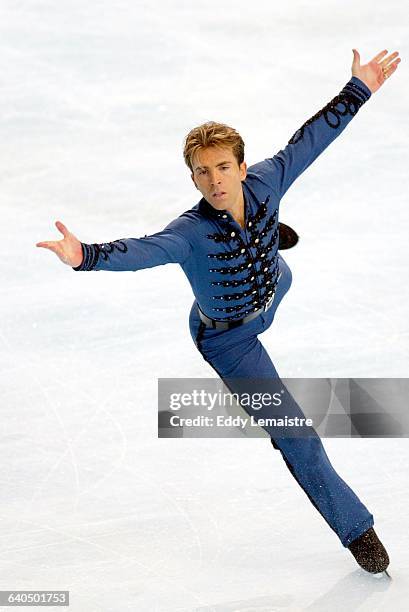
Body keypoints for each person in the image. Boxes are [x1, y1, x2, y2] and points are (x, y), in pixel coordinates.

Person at [36, 48, 401, 574]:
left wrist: (359, 88)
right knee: (293, 430)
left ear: (242, 166)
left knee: (281, 272)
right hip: (230, 338)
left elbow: (313, 138)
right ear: (193, 179)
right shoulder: (190, 234)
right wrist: (84, 256)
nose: (215, 180)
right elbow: (144, 250)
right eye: (202, 173)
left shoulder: (268, 180)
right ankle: (356, 527)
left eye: (223, 167)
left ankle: (269, 241)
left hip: (272, 288)